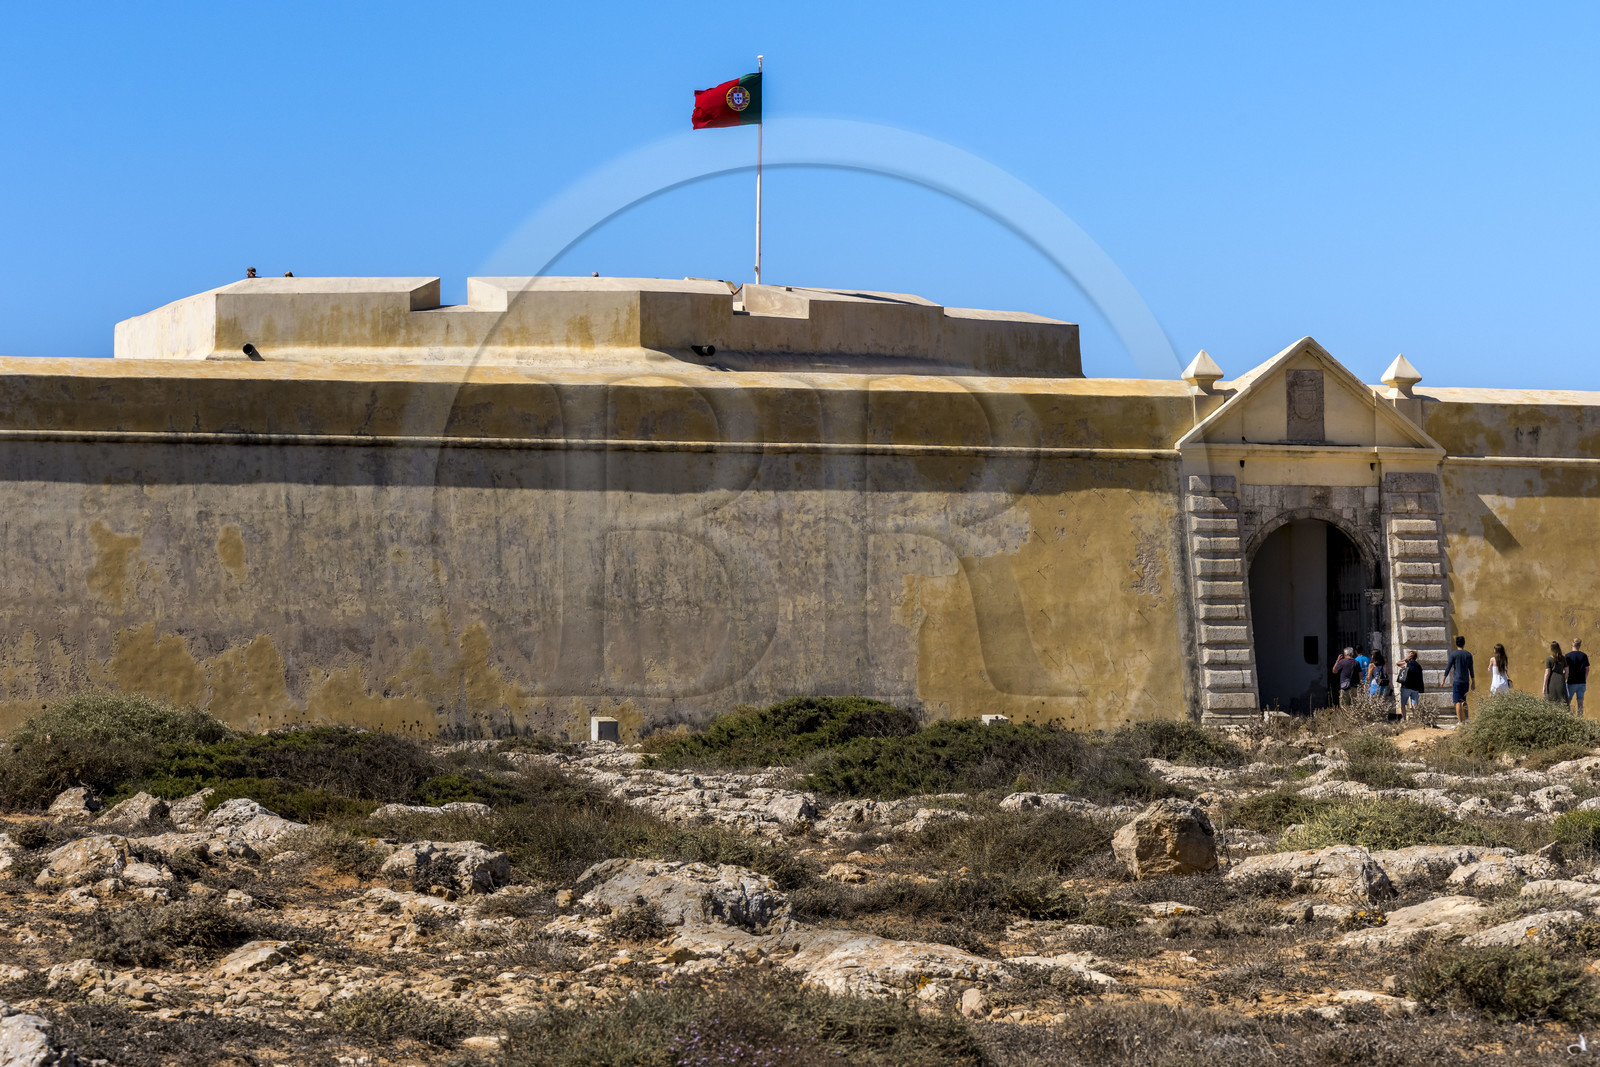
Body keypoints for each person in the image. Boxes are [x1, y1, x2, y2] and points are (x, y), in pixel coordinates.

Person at [1442, 635, 1475, 724]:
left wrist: (1443, 680)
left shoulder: (1453, 654)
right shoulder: (1468, 655)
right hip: (1466, 681)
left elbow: (1448, 668)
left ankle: (1460, 722)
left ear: (1456, 644)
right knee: (1464, 700)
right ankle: (1467, 719)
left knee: (1457, 702)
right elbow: (1471, 669)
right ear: (1464, 643)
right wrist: (1473, 682)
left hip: (1457, 681)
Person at [1399, 649, 1426, 718]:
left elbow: (1398, 663)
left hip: (1406, 687)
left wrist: (1406, 658)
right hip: (1415, 688)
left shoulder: (1406, 663)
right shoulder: (1418, 666)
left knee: (1403, 704)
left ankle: (1404, 719)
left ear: (1410, 656)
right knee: (1414, 705)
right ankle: (1416, 719)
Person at [1567, 639, 1590, 716]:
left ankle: (1567, 718)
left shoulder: (1567, 656)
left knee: (1568, 702)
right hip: (1581, 682)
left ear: (1571, 644)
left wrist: (1566, 678)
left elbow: (1565, 670)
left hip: (1571, 682)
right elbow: (1587, 669)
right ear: (1579, 646)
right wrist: (1584, 679)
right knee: (1580, 703)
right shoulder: (1584, 656)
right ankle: (1580, 720)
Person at [1545, 641, 1571, 705]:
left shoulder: (1549, 659)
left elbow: (1547, 673)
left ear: (1551, 649)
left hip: (1551, 680)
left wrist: (1544, 685)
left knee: (1551, 701)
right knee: (1562, 700)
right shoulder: (1563, 658)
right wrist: (1564, 678)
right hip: (1561, 680)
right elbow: (1567, 671)